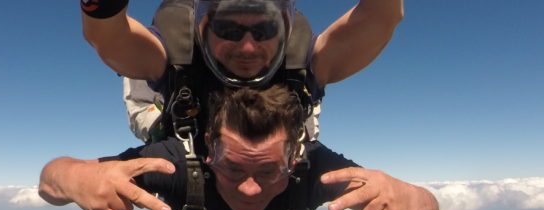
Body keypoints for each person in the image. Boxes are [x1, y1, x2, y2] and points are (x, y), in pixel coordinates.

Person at [39, 85, 440, 210]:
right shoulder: (176, 163)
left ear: (293, 156)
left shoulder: (313, 169)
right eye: (233, 167)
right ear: (211, 148)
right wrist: (77, 180)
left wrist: (410, 201)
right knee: (150, 120)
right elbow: (48, 182)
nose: (250, 188)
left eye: (269, 170)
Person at [82, 0, 404, 144]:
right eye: (229, 29)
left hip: (275, 160)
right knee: (150, 103)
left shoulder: (301, 59)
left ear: (284, 31)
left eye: (264, 30)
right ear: (204, 28)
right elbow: (111, 39)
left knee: (301, 112)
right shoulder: (178, 53)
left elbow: (381, 18)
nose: (248, 48)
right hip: (185, 132)